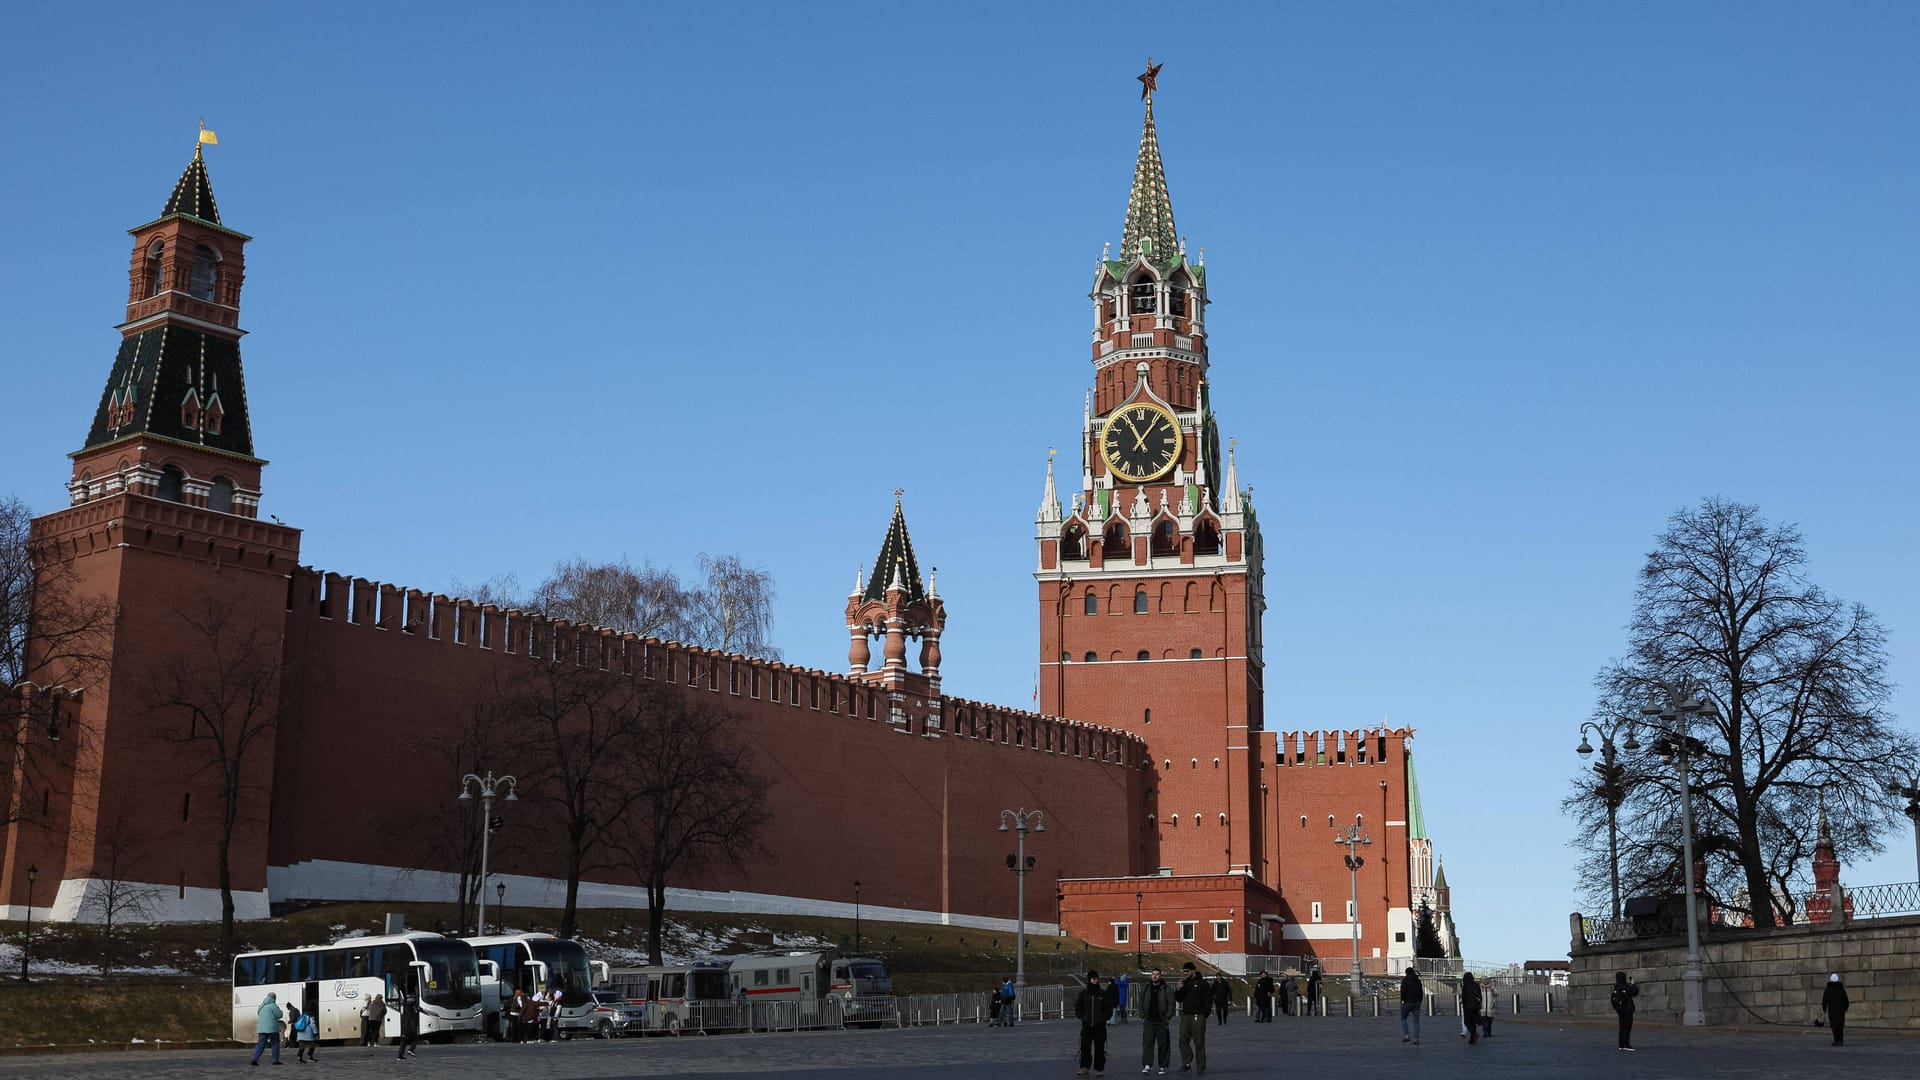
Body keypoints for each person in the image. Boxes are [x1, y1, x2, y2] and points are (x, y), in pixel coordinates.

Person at [1074, 971, 1113, 1076]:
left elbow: (1109, 1009)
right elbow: (1078, 1007)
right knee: (1085, 1047)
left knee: (1099, 1048)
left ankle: (1099, 1068)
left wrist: (1102, 1019)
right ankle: (1084, 1067)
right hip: (1087, 1026)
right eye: (1093, 978)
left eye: (1097, 978)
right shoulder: (1083, 994)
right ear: (1089, 979)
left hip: (1099, 1027)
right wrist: (1083, 1017)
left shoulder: (1103, 993)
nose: (1095, 980)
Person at [1137, 968, 1174, 1075]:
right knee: (1148, 1044)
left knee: (1163, 1044)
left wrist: (1167, 1018)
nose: (1155, 976)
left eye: (1157, 974)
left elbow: (1171, 1003)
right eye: (1153, 974)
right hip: (1148, 1021)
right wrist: (1142, 1016)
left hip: (1162, 1021)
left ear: (1160, 976)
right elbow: (1140, 1002)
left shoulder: (1166, 988)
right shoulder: (1146, 988)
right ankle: (1147, 1065)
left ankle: (1163, 1065)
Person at [1175, 961, 1209, 1075]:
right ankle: (1186, 1062)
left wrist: (1205, 1014)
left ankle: (1201, 1066)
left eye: (1187, 971)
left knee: (1199, 1041)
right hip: (1186, 1015)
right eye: (1184, 971)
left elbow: (1208, 999)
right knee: (1182, 1039)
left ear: (1193, 970)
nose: (1185, 973)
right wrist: (1179, 988)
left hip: (1198, 1015)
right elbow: (1179, 999)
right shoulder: (1185, 983)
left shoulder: (1202, 983)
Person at [250, 991, 284, 1066]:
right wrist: (281, 1011)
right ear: (274, 998)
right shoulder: (273, 1005)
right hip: (272, 1028)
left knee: (260, 1044)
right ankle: (275, 1060)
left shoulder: (261, 1005)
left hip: (261, 1028)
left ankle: (254, 1059)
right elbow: (279, 1015)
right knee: (275, 1043)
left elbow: (258, 1013)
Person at [1609, 971, 1637, 1051]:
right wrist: (1632, 984)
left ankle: (1621, 1044)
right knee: (1627, 1027)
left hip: (1620, 1010)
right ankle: (1626, 1044)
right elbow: (1635, 991)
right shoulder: (1626, 986)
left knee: (1622, 1026)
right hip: (1627, 1009)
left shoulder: (1616, 987)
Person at [1821, 973, 1849, 1046]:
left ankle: (1836, 1040)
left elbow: (1824, 1000)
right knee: (1840, 1026)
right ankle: (1840, 1040)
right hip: (1840, 1011)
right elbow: (1845, 999)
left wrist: (1824, 1009)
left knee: (1834, 1026)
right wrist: (1846, 1007)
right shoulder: (1841, 989)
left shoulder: (1828, 989)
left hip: (1832, 1011)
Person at [396, 983, 421, 1059]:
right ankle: (410, 1049)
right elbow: (412, 1018)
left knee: (403, 1041)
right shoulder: (410, 1010)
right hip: (409, 1027)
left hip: (404, 1027)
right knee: (415, 1038)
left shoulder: (404, 1007)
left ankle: (400, 1056)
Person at [1399, 967, 1423, 1044]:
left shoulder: (1405, 980)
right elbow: (1421, 992)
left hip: (1407, 1002)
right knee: (1416, 1021)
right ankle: (1416, 1039)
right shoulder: (1417, 980)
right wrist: (1419, 1001)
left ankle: (1406, 1035)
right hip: (1417, 1002)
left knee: (1403, 1018)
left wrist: (1403, 999)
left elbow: (1403, 991)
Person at [1461, 971, 1482, 1046]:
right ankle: (1472, 1038)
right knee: (1473, 1022)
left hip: (1468, 1006)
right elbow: (1480, 995)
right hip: (1476, 1006)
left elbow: (1464, 996)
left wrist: (1463, 1003)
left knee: (1467, 1022)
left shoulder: (1465, 986)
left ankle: (1474, 1033)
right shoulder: (1476, 985)